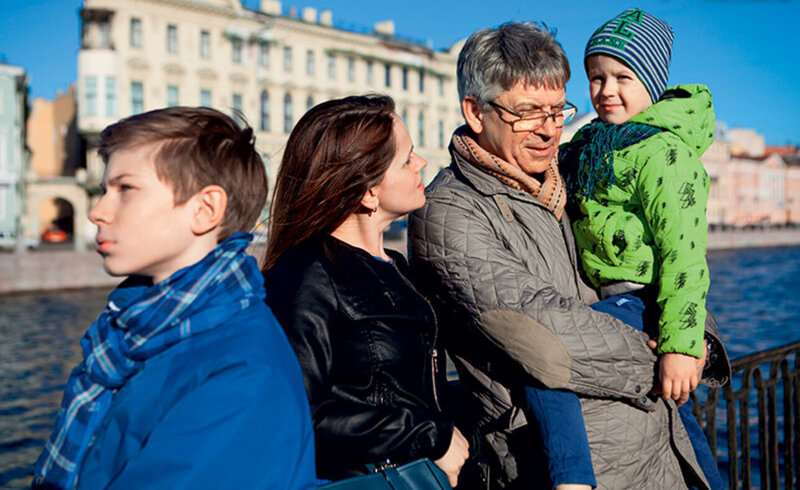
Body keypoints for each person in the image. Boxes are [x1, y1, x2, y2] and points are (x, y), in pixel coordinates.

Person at [408, 22, 730, 489]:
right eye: (526, 112)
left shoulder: (577, 173)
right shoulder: (449, 211)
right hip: (555, 465)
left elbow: (675, 261)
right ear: (475, 112)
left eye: (558, 110)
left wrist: (694, 339)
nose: (547, 129)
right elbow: (543, 338)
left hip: (657, 447)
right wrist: (668, 355)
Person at [32, 107, 316, 489]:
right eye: (104, 191)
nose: (98, 212)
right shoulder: (134, 328)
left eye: (125, 189)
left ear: (204, 209)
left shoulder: (241, 370)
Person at [520, 8, 724, 490]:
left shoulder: (664, 153)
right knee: (680, 426)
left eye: (622, 77)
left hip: (641, 297)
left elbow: (684, 256)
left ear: (651, 83)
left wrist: (681, 345)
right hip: (604, 296)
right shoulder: (592, 142)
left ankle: (570, 478)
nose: (606, 90)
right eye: (596, 77)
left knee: (547, 354)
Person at [262, 95, 472, 488]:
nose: (421, 164)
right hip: (367, 481)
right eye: (407, 159)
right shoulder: (307, 271)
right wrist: (430, 434)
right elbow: (297, 414)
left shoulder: (398, 266)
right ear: (368, 192)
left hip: (422, 477)